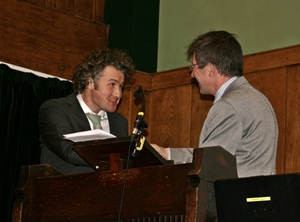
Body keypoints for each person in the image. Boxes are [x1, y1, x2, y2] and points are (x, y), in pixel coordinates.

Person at [152, 30, 278, 178]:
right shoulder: (257, 98)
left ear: (210, 69)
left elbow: (209, 164)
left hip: (237, 199)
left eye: (193, 67)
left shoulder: (229, 106)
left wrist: (167, 155)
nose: (192, 74)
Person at [39, 48, 135, 175]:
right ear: (90, 82)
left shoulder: (119, 122)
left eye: (121, 87)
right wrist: (115, 159)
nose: (118, 94)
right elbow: (68, 150)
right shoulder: (55, 109)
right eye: (112, 84)